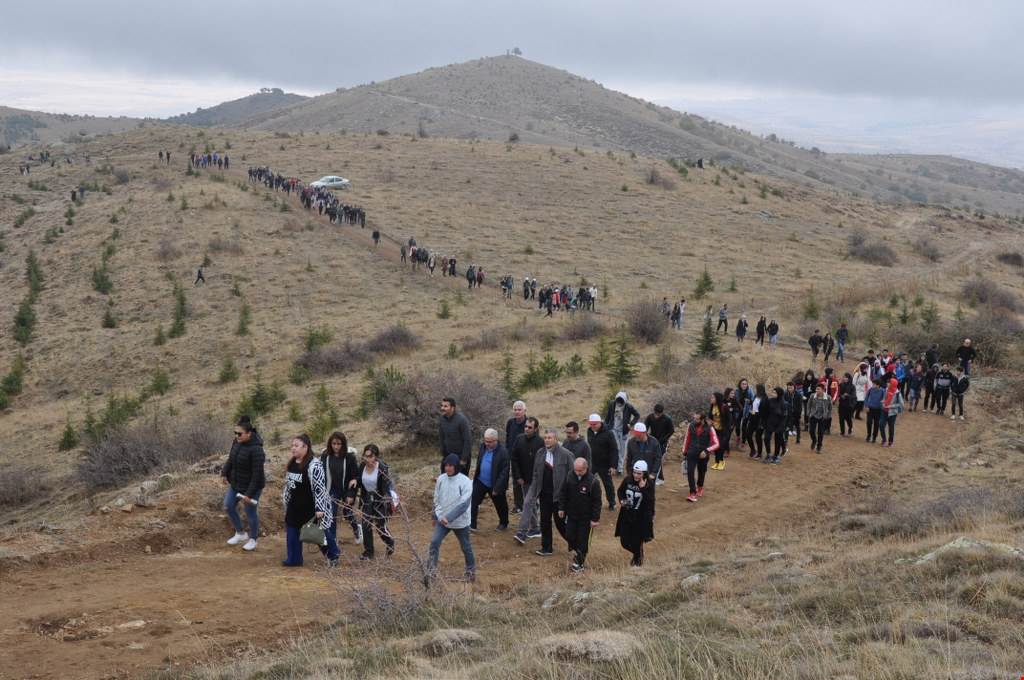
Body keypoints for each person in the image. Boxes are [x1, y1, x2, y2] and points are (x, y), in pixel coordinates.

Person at [513, 428, 572, 556]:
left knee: (560, 524)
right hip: (544, 494)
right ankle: (546, 548)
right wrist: (535, 490)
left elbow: (572, 475)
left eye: (550, 438)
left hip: (559, 496)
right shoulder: (540, 453)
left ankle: (576, 544)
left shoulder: (566, 454)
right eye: (545, 438)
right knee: (545, 522)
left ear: (556, 439)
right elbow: (536, 473)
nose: (547, 440)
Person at [281, 434, 332, 567]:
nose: (293, 448)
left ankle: (333, 556)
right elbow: (288, 485)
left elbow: (320, 488)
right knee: (292, 532)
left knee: (318, 534)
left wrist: (320, 508)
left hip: (310, 507)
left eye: (296, 446)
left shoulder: (314, 465)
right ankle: (294, 559)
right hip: (294, 506)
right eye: (292, 445)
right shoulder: (292, 463)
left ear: (305, 447)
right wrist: (286, 502)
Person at [427, 454, 475, 583]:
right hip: (442, 520)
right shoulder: (441, 479)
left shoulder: (465, 482)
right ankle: (430, 571)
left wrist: (449, 517)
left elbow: (464, 505)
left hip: (460, 522)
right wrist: (435, 515)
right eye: (446, 465)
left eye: (450, 465)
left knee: (465, 547)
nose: (448, 468)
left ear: (456, 466)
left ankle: (470, 572)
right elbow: (436, 498)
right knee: (434, 542)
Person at [222, 415, 265, 552]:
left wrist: (249, 494)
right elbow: (231, 458)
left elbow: (257, 474)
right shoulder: (236, 442)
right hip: (236, 483)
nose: (236, 436)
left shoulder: (257, 450)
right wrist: (224, 473)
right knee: (228, 506)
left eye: (239, 434)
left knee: (250, 512)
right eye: (235, 433)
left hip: (253, 486)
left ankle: (253, 539)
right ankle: (240, 533)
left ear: (249, 433)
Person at [320, 432, 362, 561]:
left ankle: (356, 530)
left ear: (343, 444)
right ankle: (333, 540)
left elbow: (355, 476)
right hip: (331, 490)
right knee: (331, 514)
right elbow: (321, 473)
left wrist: (351, 493)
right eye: (334, 443)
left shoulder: (349, 458)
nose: (336, 446)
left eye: (339, 444)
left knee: (347, 512)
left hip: (346, 489)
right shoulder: (325, 455)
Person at [352, 444, 396, 560]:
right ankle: (368, 552)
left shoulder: (382, 468)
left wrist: (386, 502)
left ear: (375, 456)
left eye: (370, 456)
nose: (367, 459)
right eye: (365, 456)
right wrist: (355, 481)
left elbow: (386, 487)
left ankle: (390, 542)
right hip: (367, 498)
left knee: (380, 527)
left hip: (380, 499)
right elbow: (359, 478)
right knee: (366, 525)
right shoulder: (362, 466)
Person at [558, 457, 602, 572]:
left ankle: (579, 563)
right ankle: (577, 552)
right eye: (575, 470)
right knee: (569, 535)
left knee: (583, 540)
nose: (577, 473)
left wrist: (595, 519)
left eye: (580, 471)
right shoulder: (569, 476)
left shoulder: (593, 482)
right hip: (572, 515)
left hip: (586, 518)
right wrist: (561, 508)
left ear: (586, 468)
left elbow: (597, 502)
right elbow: (563, 493)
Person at [615, 460, 655, 567]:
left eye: (639, 473)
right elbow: (620, 491)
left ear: (644, 473)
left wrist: (643, 489)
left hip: (641, 518)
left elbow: (650, 501)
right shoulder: (628, 480)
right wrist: (622, 500)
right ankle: (638, 553)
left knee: (636, 541)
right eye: (634, 472)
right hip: (626, 514)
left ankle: (637, 561)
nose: (636, 475)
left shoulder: (649, 484)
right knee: (624, 542)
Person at [470, 429, 510, 531]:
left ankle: (503, 523)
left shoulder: (503, 452)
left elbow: (504, 473)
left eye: (489, 441)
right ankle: (472, 525)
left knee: (500, 505)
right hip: (481, 481)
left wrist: (497, 488)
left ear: (496, 440)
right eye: (485, 441)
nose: (487, 443)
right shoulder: (483, 447)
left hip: (495, 483)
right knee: (473, 502)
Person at [509, 416, 542, 520]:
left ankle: (534, 526)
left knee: (529, 502)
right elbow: (514, 458)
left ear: (535, 429)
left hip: (536, 478)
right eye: (525, 426)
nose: (526, 429)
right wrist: (518, 476)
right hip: (523, 479)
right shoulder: (519, 439)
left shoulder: (540, 442)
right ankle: (534, 525)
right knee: (529, 501)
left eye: (530, 427)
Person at [682, 412, 719, 502]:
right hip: (692, 452)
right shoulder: (691, 426)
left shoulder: (710, 428)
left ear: (702, 420)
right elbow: (687, 438)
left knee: (701, 471)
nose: (695, 420)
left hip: (703, 454)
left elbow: (717, 444)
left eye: (697, 419)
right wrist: (685, 451)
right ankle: (692, 493)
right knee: (690, 472)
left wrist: (706, 451)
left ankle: (700, 487)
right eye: (694, 418)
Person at [587, 413, 619, 511]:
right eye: (591, 424)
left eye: (595, 424)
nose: (592, 426)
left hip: (605, 464)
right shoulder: (589, 431)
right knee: (587, 482)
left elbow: (614, 449)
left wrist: (613, 466)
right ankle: (588, 502)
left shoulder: (608, 433)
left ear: (600, 423)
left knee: (607, 484)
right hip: (592, 463)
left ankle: (612, 502)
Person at [605, 391, 639, 473]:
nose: (619, 404)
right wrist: (605, 427)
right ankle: (614, 467)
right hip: (613, 430)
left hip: (624, 431)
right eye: (618, 401)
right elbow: (608, 417)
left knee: (622, 450)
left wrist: (631, 424)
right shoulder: (612, 404)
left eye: (621, 402)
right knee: (616, 448)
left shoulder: (629, 407)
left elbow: (637, 415)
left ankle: (619, 469)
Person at [439, 397, 472, 474]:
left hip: (460, 458)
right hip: (448, 456)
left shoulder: (462, 420)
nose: (442, 408)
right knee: (445, 480)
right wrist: (443, 453)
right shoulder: (442, 419)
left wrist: (463, 459)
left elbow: (468, 440)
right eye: (442, 406)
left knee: (460, 483)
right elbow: (441, 437)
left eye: (445, 406)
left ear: (452, 408)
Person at [643, 405, 675, 483]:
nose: (657, 415)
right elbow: (645, 428)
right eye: (656, 414)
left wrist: (664, 439)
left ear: (662, 413)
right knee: (650, 458)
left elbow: (671, 431)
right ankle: (659, 478)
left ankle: (657, 478)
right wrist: (646, 437)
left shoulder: (667, 419)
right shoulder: (650, 417)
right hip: (651, 441)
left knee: (658, 459)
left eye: (659, 414)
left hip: (662, 443)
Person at [806, 384, 832, 454]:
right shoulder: (812, 396)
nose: (817, 390)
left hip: (823, 417)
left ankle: (819, 446)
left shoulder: (828, 397)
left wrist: (828, 415)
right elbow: (809, 404)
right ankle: (814, 440)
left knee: (820, 432)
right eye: (816, 389)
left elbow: (830, 407)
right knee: (811, 430)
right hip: (813, 415)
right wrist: (808, 412)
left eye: (818, 389)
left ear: (823, 390)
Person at [708, 393, 731, 470]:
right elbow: (710, 416)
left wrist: (727, 429)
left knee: (721, 446)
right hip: (715, 429)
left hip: (723, 430)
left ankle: (721, 462)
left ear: (717, 398)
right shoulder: (712, 406)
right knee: (716, 446)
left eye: (713, 398)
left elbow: (729, 419)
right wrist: (710, 422)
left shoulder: (724, 407)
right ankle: (717, 462)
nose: (711, 399)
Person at [880, 377, 904, 446]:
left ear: (892, 384)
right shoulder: (887, 389)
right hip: (884, 410)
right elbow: (885, 398)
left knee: (891, 427)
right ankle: (884, 440)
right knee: (881, 425)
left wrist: (890, 406)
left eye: (889, 383)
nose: (887, 384)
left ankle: (890, 441)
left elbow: (901, 404)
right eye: (887, 382)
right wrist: (883, 402)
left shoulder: (898, 393)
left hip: (892, 413)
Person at [864, 379, 886, 444]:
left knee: (876, 424)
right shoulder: (871, 389)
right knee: (869, 422)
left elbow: (884, 399)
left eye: (874, 384)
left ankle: (874, 437)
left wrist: (883, 403)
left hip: (878, 410)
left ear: (878, 385)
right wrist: (866, 406)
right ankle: (868, 435)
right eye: (873, 383)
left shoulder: (882, 391)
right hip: (870, 409)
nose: (872, 385)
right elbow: (866, 398)